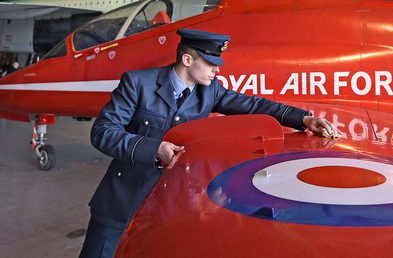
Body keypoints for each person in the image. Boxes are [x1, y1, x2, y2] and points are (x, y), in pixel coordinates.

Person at [79, 29, 341, 257]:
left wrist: (304, 119)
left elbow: (254, 105)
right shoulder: (138, 84)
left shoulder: (210, 89)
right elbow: (103, 131)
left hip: (173, 205)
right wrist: (154, 149)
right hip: (124, 197)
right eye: (211, 62)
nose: (218, 69)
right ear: (187, 59)